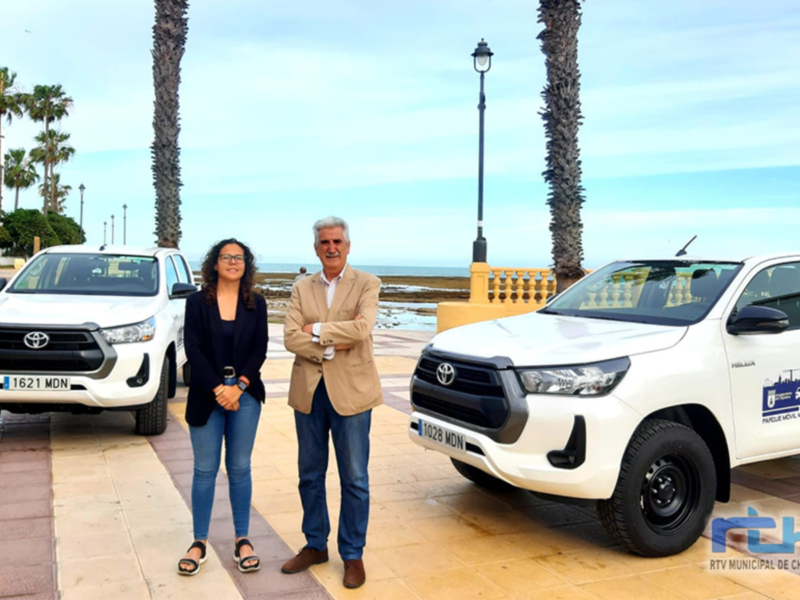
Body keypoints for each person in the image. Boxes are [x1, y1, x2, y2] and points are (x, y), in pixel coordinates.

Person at [281, 216, 382, 589]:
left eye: (337, 241)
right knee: (310, 475)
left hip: (352, 395)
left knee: (354, 478)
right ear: (316, 248)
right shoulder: (301, 287)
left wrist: (318, 330)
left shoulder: (368, 283)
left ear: (348, 245)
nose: (331, 247)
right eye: (324, 242)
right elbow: (291, 337)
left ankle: (352, 554)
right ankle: (315, 545)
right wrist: (333, 342)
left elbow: (362, 330)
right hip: (309, 393)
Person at [177, 238, 268, 576]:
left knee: (240, 467)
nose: (233, 262)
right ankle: (199, 542)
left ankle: (242, 540)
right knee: (205, 470)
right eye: (226, 257)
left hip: (245, 395)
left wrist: (239, 387)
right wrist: (219, 388)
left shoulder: (256, 304)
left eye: (239, 257)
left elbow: (260, 349)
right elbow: (193, 348)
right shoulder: (197, 303)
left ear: (247, 265)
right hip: (206, 394)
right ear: (214, 264)